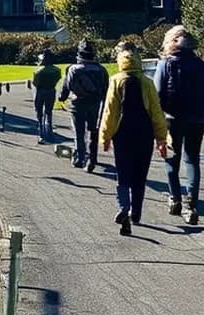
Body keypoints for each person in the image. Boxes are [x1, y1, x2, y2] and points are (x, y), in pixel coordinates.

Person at [100, 48, 169, 236]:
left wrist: (105, 136)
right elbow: (156, 112)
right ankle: (136, 213)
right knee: (139, 176)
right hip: (144, 133)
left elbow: (110, 112)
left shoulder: (115, 81)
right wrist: (161, 138)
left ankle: (124, 206)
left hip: (122, 134)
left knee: (123, 174)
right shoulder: (147, 83)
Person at [154, 25, 204, 226]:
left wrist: (157, 121)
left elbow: (158, 94)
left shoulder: (165, 64)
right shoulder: (200, 64)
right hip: (196, 118)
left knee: (171, 160)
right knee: (192, 160)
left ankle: (175, 199)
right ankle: (191, 205)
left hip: (172, 118)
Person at [58, 39, 110, 172]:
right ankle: (93, 158)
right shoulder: (101, 70)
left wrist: (62, 97)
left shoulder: (73, 69)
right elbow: (106, 89)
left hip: (77, 104)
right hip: (95, 104)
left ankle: (79, 158)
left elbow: (67, 87)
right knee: (94, 131)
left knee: (79, 132)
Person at [32, 49, 61, 144]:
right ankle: (49, 131)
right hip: (51, 90)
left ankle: (41, 132)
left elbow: (35, 83)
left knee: (39, 112)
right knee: (48, 112)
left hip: (41, 91)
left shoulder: (39, 72)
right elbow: (58, 78)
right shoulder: (57, 70)